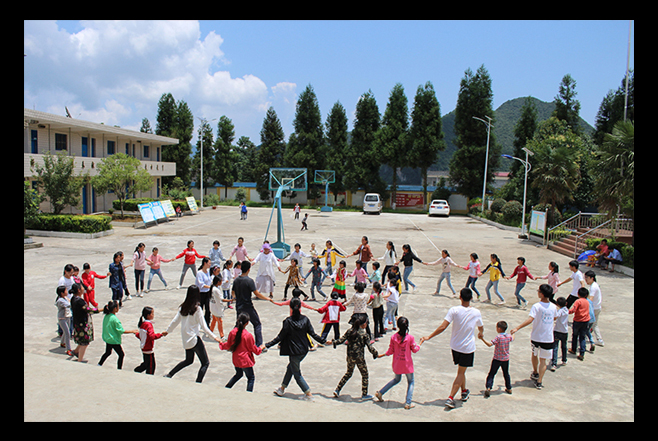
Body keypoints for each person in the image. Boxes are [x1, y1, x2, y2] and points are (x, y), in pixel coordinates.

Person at [420, 287, 484, 409]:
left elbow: (443, 327)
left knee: (461, 370)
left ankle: (464, 391)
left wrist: (429, 336)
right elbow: (480, 327)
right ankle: (450, 398)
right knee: (461, 372)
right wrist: (481, 333)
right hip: (467, 348)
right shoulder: (476, 312)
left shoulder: (454, 310)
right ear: (471, 298)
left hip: (455, 347)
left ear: (460, 297)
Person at [264, 297, 328, 401]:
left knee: (297, 374)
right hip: (304, 350)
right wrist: (324, 341)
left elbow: (280, 337)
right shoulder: (305, 319)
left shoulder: (288, 321)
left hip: (294, 351)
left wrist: (267, 345)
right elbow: (313, 334)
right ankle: (282, 389)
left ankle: (309, 394)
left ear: (290, 307)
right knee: (291, 368)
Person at [164, 285, 221, 383]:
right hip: (194, 339)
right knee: (205, 363)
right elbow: (204, 327)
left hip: (186, 340)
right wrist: (215, 338)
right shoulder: (197, 309)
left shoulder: (182, 307)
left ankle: (170, 374)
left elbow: (175, 321)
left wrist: (167, 331)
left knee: (188, 360)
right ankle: (198, 382)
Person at [510, 284, 558, 390]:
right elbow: (555, 317)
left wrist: (517, 328)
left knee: (535, 354)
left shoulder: (537, 306)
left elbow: (530, 319)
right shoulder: (553, 307)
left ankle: (535, 372)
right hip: (548, 337)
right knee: (543, 361)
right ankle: (539, 381)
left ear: (542, 294)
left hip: (537, 336)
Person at [375, 316, 420, 409]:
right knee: (411, 382)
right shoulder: (410, 338)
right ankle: (408, 403)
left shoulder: (394, 337)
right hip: (407, 365)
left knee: (396, 380)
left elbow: (390, 351)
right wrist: (420, 343)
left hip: (397, 364)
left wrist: (382, 355)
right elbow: (415, 349)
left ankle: (381, 392)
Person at [332, 315, 379, 401]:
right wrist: (375, 353)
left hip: (350, 357)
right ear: (364, 324)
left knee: (348, 373)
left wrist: (334, 342)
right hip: (359, 358)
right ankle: (364, 394)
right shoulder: (364, 334)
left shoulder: (350, 331)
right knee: (365, 375)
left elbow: (341, 340)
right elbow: (370, 347)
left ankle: (337, 390)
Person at [220, 313, 262, 392]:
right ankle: (248, 394)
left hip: (236, 359)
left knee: (239, 374)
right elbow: (253, 349)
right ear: (247, 323)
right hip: (245, 361)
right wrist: (260, 348)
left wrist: (221, 344)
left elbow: (228, 345)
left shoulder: (232, 332)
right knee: (251, 377)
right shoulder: (248, 335)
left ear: (237, 320)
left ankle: (227, 387)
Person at [232, 260, 271, 347]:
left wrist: (236, 298)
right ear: (249, 269)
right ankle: (259, 344)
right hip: (248, 307)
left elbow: (233, 292)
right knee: (257, 324)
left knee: (239, 324)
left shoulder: (236, 280)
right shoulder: (249, 281)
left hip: (239, 306)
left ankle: (233, 341)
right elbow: (257, 293)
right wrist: (267, 298)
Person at [98, 300, 137, 369]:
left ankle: (99, 364)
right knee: (121, 355)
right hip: (113, 340)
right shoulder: (115, 319)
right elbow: (121, 331)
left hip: (107, 338)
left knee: (108, 352)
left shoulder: (107, 316)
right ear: (115, 308)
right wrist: (132, 331)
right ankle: (119, 369)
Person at [479, 321, 514, 397]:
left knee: (492, 374)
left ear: (499, 328)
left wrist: (482, 339)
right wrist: (513, 332)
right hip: (505, 359)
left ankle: (488, 387)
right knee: (506, 374)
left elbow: (489, 344)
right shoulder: (508, 336)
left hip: (497, 359)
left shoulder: (498, 337)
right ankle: (509, 388)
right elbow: (512, 338)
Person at [70, 283, 97, 362]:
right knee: (84, 342)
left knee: (82, 340)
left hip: (77, 322)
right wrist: (101, 309)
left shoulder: (73, 298)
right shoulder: (80, 301)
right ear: (79, 290)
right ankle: (80, 360)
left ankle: (76, 351)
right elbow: (89, 310)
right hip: (82, 324)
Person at [134, 306, 164, 375]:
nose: (153, 315)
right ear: (148, 315)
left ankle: (137, 370)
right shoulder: (149, 325)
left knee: (146, 363)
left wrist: (136, 334)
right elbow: (151, 336)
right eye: (152, 314)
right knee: (151, 367)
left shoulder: (142, 324)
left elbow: (141, 335)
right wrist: (161, 335)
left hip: (143, 347)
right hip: (148, 349)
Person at [568, 287, 591, 361]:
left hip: (578, 320)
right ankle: (582, 353)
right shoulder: (587, 301)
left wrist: (567, 311)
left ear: (578, 294)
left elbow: (573, 310)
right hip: (586, 321)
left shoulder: (578, 301)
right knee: (582, 337)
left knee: (575, 335)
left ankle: (573, 349)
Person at [584, 270, 604, 347]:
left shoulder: (593, 287)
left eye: (587, 278)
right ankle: (599, 339)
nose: (586, 280)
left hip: (594, 309)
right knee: (594, 324)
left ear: (592, 278)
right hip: (597, 307)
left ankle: (587, 337)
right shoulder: (594, 285)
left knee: (587, 324)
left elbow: (590, 299)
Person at [550, 297, 569, 371]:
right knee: (564, 346)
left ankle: (554, 363)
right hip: (565, 331)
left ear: (557, 304)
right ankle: (564, 360)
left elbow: (556, 317)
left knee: (555, 347)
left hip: (557, 330)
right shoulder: (566, 310)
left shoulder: (560, 311)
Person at [210, 275, 231, 340]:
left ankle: (210, 332)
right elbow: (222, 299)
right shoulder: (216, 290)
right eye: (221, 281)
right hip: (216, 309)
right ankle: (222, 336)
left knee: (214, 320)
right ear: (218, 282)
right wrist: (230, 300)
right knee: (220, 321)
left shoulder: (212, 288)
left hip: (213, 307)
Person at [55, 285, 74, 356]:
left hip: (67, 316)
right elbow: (69, 305)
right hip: (62, 318)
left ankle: (62, 343)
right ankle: (68, 349)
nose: (67, 291)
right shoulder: (60, 301)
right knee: (67, 333)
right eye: (65, 290)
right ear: (62, 293)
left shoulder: (65, 298)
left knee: (66, 331)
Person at [195, 257, 213, 326]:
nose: (210, 264)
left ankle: (207, 323)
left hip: (207, 293)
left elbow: (209, 281)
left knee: (208, 308)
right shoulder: (199, 273)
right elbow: (201, 284)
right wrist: (210, 287)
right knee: (200, 308)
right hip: (201, 293)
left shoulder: (207, 272)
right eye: (209, 263)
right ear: (205, 263)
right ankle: (199, 323)